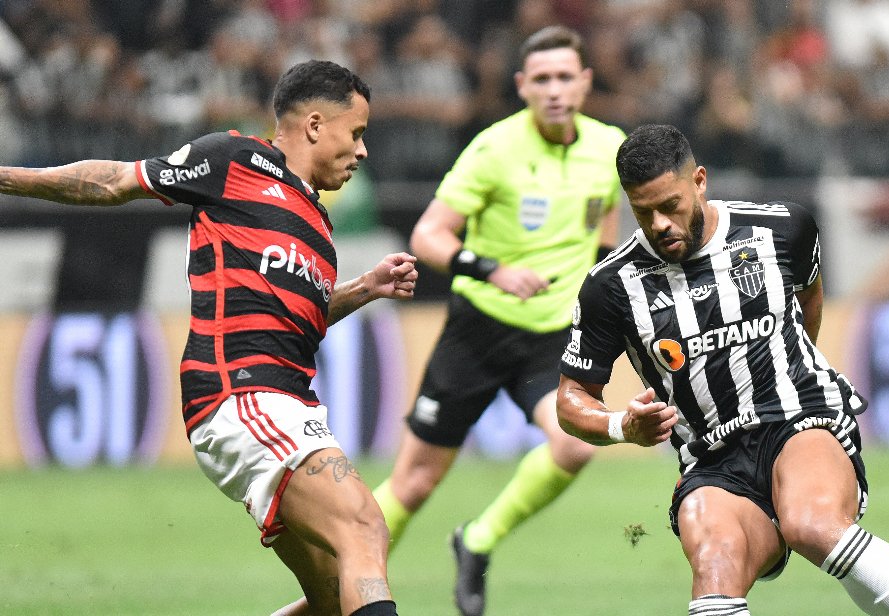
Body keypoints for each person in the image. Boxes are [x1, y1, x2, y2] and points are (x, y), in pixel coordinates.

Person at [0, 60, 416, 616]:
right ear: (316, 125)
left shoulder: (317, 225)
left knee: (332, 595)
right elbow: (115, 181)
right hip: (242, 394)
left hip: (285, 401)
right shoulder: (236, 160)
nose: (363, 151)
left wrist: (365, 288)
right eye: (357, 132)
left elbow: (301, 321)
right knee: (364, 527)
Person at [555, 124, 889, 615]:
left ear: (699, 181)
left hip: (797, 417)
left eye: (670, 205)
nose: (660, 224)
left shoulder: (782, 228)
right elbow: (571, 399)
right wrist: (621, 427)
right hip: (711, 457)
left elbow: (809, 298)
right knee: (714, 564)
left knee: (810, 524)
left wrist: (793, 371)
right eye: (642, 211)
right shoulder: (610, 286)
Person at [371, 25, 625, 616]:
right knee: (415, 482)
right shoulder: (493, 149)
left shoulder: (609, 148)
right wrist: (490, 269)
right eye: (542, 79)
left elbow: (605, 237)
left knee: (575, 446)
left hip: (552, 338)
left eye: (565, 77)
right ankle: (345, 582)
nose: (555, 89)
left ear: (585, 82)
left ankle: (477, 540)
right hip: (478, 332)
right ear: (522, 86)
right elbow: (428, 236)